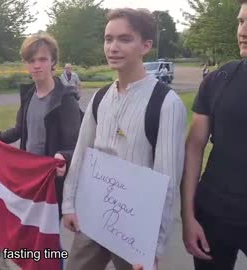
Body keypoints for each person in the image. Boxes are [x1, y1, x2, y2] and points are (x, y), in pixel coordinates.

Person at [62, 8, 186, 270]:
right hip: (92, 215)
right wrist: (70, 203)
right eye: (108, 39)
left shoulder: (166, 103)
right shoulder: (100, 97)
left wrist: (155, 245)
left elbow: (168, 181)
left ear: (146, 45)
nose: (113, 47)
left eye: (124, 39)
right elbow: (82, 152)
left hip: (135, 228)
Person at [181, 1, 247, 269]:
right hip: (214, 216)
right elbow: (194, 147)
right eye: (241, 22)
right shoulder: (219, 78)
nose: (243, 30)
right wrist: (188, 216)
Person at [0, 32, 82, 215]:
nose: (37, 65)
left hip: (52, 183)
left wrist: (64, 156)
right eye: (31, 60)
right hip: (30, 177)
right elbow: (20, 129)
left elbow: (77, 145)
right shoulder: (28, 95)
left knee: (47, 236)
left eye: (42, 59)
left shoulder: (65, 100)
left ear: (53, 62)